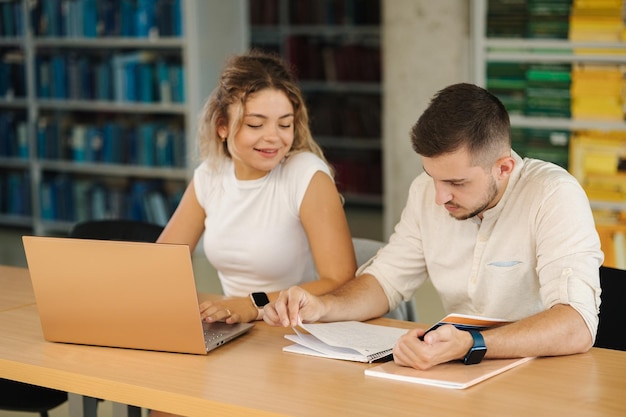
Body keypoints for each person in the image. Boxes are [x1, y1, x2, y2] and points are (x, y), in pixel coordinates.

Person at [264, 83, 604, 371]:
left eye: (456, 182)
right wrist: (325, 307)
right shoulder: (426, 192)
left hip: (547, 373)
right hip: (462, 373)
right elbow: (385, 281)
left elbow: (577, 324)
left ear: (504, 167)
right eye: (433, 177)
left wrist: (471, 344)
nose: (440, 197)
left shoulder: (553, 195)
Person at [156, 49, 357, 325]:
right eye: (255, 124)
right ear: (222, 126)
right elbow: (161, 263)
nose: (273, 137)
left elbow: (341, 282)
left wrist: (254, 304)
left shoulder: (305, 174)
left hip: (299, 328)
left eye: (285, 124)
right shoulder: (210, 176)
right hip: (236, 327)